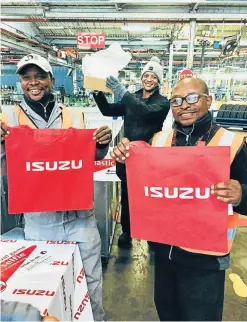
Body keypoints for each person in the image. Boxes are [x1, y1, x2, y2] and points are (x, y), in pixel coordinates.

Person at [110, 77, 247, 321]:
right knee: (168, 314)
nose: (184, 105)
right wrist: (123, 159)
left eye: (192, 98)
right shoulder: (159, 140)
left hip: (205, 260)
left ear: (209, 100)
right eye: (176, 101)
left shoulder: (232, 143)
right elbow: (134, 181)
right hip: (164, 255)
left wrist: (241, 194)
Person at [0, 53, 112, 322]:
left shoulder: (75, 114)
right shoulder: (7, 118)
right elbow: (5, 168)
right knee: (44, 292)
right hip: (40, 221)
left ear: (51, 79)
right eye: (26, 78)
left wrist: (100, 144)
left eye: (39, 76)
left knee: (91, 284)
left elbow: (90, 157)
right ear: (20, 83)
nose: (33, 83)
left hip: (79, 218)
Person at [93, 56, 170, 248]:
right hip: (128, 156)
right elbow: (108, 110)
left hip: (150, 158)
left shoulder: (162, 102)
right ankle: (127, 231)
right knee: (127, 195)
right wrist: (97, 93)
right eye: (146, 75)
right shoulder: (132, 96)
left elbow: (145, 112)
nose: (149, 79)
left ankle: (153, 232)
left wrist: (122, 92)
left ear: (158, 80)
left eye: (153, 76)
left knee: (151, 196)